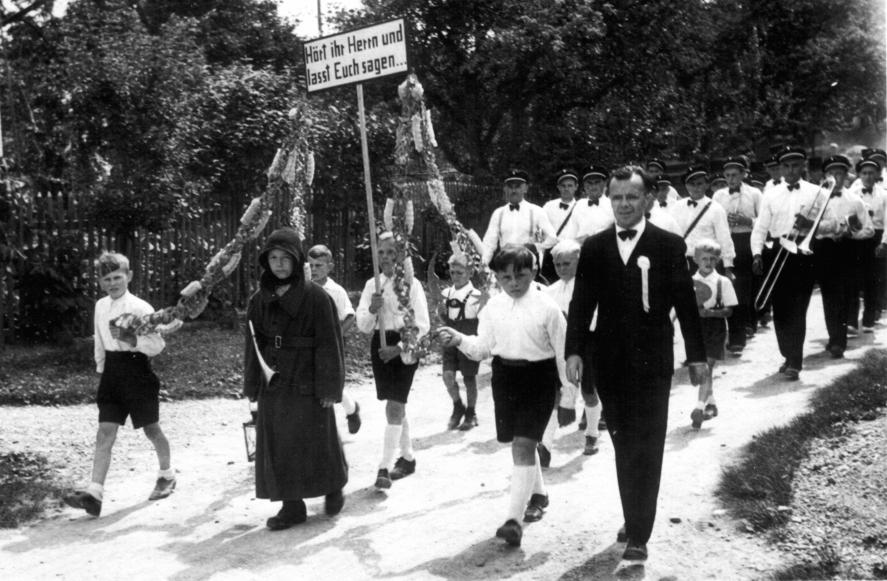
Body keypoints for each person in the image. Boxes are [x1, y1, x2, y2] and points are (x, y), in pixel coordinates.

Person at [565, 165, 706, 563]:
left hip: (653, 360)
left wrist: (696, 356)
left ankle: (639, 532)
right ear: (609, 200)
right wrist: (574, 350)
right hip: (608, 360)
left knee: (648, 444)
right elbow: (581, 305)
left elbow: (685, 304)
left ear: (648, 199)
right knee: (624, 444)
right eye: (617, 197)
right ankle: (635, 514)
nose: (624, 205)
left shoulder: (668, 245)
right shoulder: (594, 248)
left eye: (631, 197)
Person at [438, 244, 568, 548]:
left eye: (520, 276)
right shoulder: (493, 307)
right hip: (505, 379)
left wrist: (568, 397)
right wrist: (458, 339)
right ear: (496, 277)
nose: (514, 283)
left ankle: (513, 520)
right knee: (521, 442)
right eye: (506, 277)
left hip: (539, 378)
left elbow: (562, 355)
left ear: (534, 272)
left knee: (523, 444)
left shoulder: (548, 309)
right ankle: (540, 493)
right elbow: (483, 347)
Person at [244, 229, 348, 530]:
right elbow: (252, 343)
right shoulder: (259, 299)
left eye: (285, 258)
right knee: (279, 443)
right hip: (274, 380)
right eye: (273, 258)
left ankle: (332, 487)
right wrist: (252, 383)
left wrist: (330, 387)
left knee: (317, 439)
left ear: (296, 259)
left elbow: (330, 344)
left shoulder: (317, 298)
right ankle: (291, 506)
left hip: (307, 378)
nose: (278, 265)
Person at [64, 252, 173, 518]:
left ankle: (166, 475)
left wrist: (131, 339)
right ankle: (95, 493)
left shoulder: (140, 308)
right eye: (107, 279)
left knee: (151, 428)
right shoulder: (101, 306)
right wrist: (102, 372)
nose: (113, 283)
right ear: (100, 282)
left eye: (117, 277)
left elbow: (158, 346)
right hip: (112, 375)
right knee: (105, 432)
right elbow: (100, 341)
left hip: (137, 372)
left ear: (129, 277)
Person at [356, 232, 430, 489]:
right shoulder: (370, 285)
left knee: (395, 406)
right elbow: (363, 325)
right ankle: (407, 457)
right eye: (382, 253)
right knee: (395, 403)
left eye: (391, 253)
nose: (386, 258)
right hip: (380, 344)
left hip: (404, 346)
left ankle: (383, 467)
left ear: (401, 256)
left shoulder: (412, 284)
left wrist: (398, 348)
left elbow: (422, 324)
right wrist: (373, 309)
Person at [751, 146, 822, 380]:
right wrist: (757, 254)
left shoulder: (817, 192)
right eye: (786, 166)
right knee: (780, 309)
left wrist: (810, 223)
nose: (791, 171)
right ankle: (788, 353)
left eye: (795, 165)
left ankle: (795, 361)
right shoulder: (770, 194)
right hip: (777, 251)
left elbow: (829, 224)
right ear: (781, 169)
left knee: (798, 308)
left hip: (802, 254)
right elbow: (760, 227)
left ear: (803, 166)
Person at [542, 239, 602, 456]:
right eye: (557, 265)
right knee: (555, 395)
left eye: (567, 264)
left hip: (586, 344)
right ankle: (546, 445)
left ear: (579, 262)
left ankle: (592, 434)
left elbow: (596, 319)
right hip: (558, 347)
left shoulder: (590, 287)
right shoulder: (549, 292)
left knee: (587, 390)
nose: (561, 269)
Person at [811, 155, 872, 358]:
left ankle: (839, 340)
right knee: (829, 295)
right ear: (825, 175)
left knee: (844, 295)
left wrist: (852, 233)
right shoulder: (817, 199)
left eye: (840, 173)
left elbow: (869, 229)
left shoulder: (855, 200)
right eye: (831, 173)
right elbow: (810, 228)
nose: (835, 177)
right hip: (825, 249)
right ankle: (834, 337)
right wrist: (826, 230)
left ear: (846, 176)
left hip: (847, 250)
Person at [307, 244, 362, 434]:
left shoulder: (335, 291)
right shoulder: (303, 288)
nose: (314, 270)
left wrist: (335, 336)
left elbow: (350, 316)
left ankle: (351, 410)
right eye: (311, 265)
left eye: (319, 265)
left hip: (330, 345)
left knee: (331, 381)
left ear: (330, 267)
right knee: (312, 381)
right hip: (309, 343)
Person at [712, 157, 762, 353]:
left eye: (735, 175)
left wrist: (746, 220)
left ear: (743, 174)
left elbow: (765, 221)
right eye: (728, 176)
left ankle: (739, 336)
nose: (731, 179)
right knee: (724, 290)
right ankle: (729, 334)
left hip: (745, 242)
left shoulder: (755, 193)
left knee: (741, 291)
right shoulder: (718, 196)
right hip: (724, 244)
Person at [690, 240, 738, 429]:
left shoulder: (722, 282)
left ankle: (699, 408)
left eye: (712, 259)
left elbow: (729, 311)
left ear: (717, 260)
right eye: (704, 259)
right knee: (700, 367)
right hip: (696, 327)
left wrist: (711, 313)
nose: (708, 263)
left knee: (707, 366)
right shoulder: (690, 282)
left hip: (715, 327)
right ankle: (712, 403)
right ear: (695, 260)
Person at [439, 252, 482, 431]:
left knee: (469, 378)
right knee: (448, 376)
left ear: (470, 272)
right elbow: (442, 317)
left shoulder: (476, 295)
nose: (455, 276)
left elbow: (484, 320)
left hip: (468, 339)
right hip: (450, 340)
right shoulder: (446, 293)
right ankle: (458, 406)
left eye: (460, 272)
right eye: (452, 272)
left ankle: (471, 412)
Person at [481, 169, 558, 268]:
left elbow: (552, 237)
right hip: (505, 264)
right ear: (505, 189)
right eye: (510, 187)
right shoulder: (498, 213)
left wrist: (535, 247)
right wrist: (484, 263)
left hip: (528, 264)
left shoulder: (536, 211)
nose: (513, 191)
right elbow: (489, 243)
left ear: (525, 188)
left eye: (517, 187)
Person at [669, 165, 736, 275]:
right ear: (686, 186)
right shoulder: (676, 207)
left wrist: (728, 266)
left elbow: (724, 239)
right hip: (682, 261)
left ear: (707, 185)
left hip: (706, 261)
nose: (696, 188)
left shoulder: (716, 209)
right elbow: (670, 234)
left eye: (699, 184)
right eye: (692, 184)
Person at [847, 157, 887, 331]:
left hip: (876, 238)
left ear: (877, 174)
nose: (868, 176)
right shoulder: (852, 193)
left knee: (873, 279)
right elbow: (846, 215)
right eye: (864, 173)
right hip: (857, 238)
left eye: (872, 173)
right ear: (859, 175)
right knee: (854, 279)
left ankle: (870, 318)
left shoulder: (884, 194)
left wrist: (884, 243)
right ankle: (851, 320)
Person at [541, 168, 580, 281]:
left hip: (572, 255)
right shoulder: (548, 206)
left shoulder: (581, 207)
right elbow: (538, 231)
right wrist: (541, 246)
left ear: (576, 187)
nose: (566, 189)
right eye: (563, 186)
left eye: (570, 185)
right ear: (558, 187)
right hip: (552, 256)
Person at [562, 164, 615, 242]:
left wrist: (590, 237)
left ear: (605, 183)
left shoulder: (613, 205)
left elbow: (615, 231)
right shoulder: (579, 205)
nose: (593, 186)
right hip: (581, 251)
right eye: (589, 183)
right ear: (584, 185)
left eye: (597, 182)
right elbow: (571, 233)